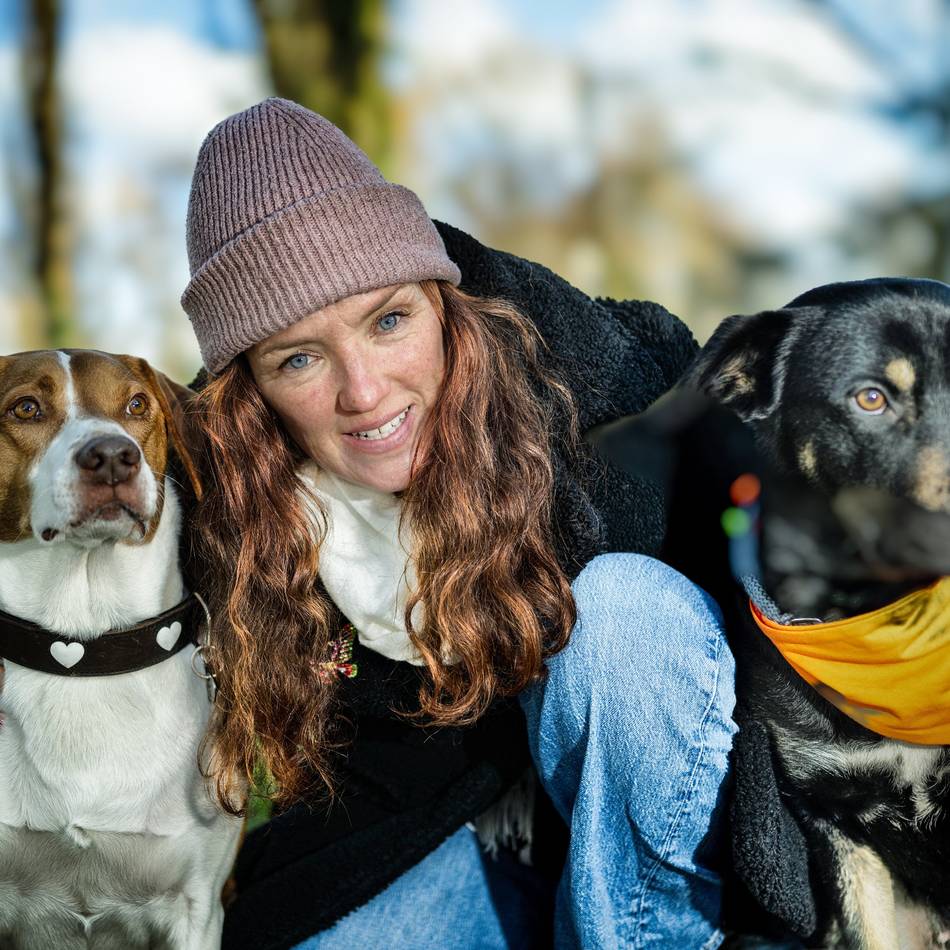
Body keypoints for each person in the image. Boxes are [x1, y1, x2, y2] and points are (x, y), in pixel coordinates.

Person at [180, 97, 737, 950]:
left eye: (388, 320)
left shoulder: (600, 405)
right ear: (253, 392)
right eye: (299, 357)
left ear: (445, 306)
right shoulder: (239, 523)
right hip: (456, 845)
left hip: (663, 848)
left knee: (623, 611)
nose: (362, 393)